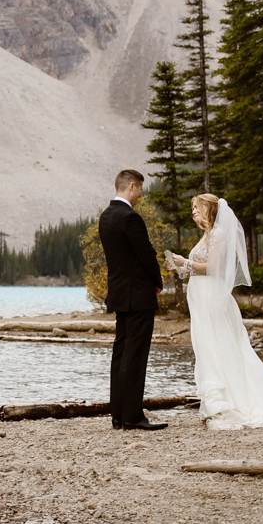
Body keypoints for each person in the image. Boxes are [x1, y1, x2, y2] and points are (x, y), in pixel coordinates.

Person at [166, 194, 263, 429]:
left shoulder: (219, 235)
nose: (192, 211)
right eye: (191, 207)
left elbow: (214, 268)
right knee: (206, 347)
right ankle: (215, 403)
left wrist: (185, 262)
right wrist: (180, 266)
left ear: (209, 209)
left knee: (217, 345)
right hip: (201, 298)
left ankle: (227, 405)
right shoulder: (207, 235)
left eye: (196, 207)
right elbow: (200, 269)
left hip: (212, 299)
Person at [97, 169, 165, 430]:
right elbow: (145, 254)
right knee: (135, 354)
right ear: (132, 186)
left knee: (121, 352)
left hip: (118, 293)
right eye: (140, 189)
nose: (141, 195)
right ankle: (133, 416)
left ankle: (118, 414)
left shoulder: (106, 217)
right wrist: (157, 282)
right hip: (138, 294)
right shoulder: (130, 218)